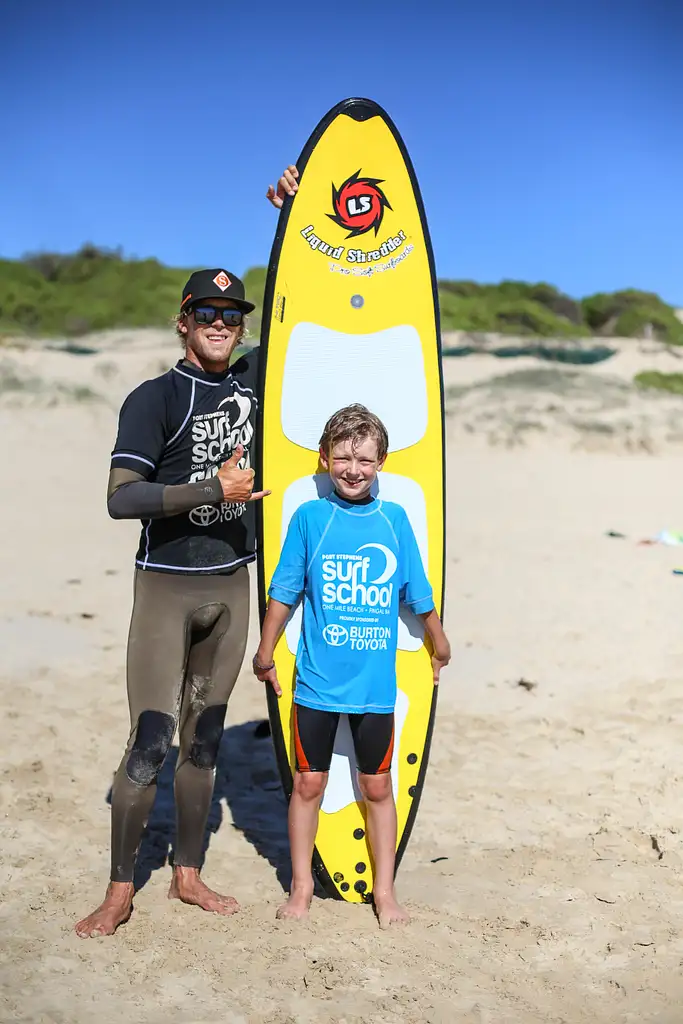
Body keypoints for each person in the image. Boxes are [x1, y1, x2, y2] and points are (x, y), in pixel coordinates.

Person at [76, 267, 271, 938]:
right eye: (206, 312)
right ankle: (120, 888)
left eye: (232, 314)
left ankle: (186, 874)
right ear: (182, 321)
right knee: (150, 744)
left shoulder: (252, 381)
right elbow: (121, 497)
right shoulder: (154, 397)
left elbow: (305, 296)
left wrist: (292, 214)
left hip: (232, 587)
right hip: (166, 587)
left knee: (206, 742)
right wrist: (209, 490)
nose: (221, 322)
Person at [253, 404, 451, 928]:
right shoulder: (310, 518)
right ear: (324, 458)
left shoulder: (393, 519)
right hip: (315, 683)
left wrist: (438, 641)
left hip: (374, 688)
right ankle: (300, 888)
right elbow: (285, 591)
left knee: (379, 787)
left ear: (381, 461)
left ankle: (385, 892)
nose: (353, 469)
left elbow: (418, 592)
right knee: (307, 785)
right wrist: (265, 647)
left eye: (364, 458)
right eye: (342, 457)